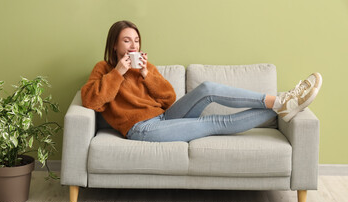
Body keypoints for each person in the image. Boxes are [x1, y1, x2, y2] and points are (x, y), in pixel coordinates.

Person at [81, 20, 322, 142]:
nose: (133, 46)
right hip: (141, 129)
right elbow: (92, 101)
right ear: (114, 44)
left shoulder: (145, 67)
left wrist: (146, 74)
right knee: (213, 122)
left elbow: (169, 99)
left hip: (164, 116)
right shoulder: (104, 69)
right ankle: (286, 105)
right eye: (126, 41)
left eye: (136, 40)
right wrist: (118, 73)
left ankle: (282, 101)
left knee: (207, 88)